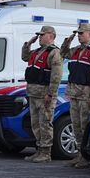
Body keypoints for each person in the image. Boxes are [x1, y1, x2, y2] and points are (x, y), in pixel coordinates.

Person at [60, 22, 90, 169]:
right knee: (76, 126)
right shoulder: (76, 50)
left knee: (85, 126)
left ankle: (85, 157)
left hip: (86, 94)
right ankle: (79, 154)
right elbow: (63, 53)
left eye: (81, 33)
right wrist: (68, 40)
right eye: (78, 33)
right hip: (74, 93)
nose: (79, 36)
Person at [22, 25, 63, 163]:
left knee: (45, 123)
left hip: (44, 94)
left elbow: (56, 76)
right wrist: (28, 44)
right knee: (35, 123)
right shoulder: (37, 51)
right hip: (33, 93)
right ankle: (39, 149)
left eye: (42, 35)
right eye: (39, 35)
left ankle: (46, 152)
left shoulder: (54, 52)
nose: (39, 37)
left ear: (51, 36)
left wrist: (50, 94)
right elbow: (24, 57)